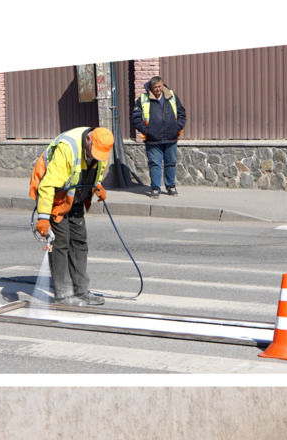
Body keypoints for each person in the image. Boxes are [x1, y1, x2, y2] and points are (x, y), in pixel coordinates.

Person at [31, 127, 113, 307]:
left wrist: (97, 185)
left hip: (75, 196)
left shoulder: (102, 149)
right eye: (93, 152)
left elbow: (96, 171)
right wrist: (43, 218)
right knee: (60, 242)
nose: (95, 157)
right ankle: (63, 294)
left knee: (79, 242)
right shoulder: (67, 148)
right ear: (88, 140)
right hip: (55, 196)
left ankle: (82, 291)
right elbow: (47, 185)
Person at [130, 76, 186, 199]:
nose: (158, 89)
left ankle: (171, 186)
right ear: (150, 87)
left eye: (160, 86)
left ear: (163, 84)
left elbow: (181, 113)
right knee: (155, 164)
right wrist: (147, 131)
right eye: (155, 87)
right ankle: (155, 188)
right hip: (153, 139)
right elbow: (136, 118)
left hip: (171, 137)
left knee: (171, 163)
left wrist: (177, 128)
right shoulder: (143, 99)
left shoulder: (171, 96)